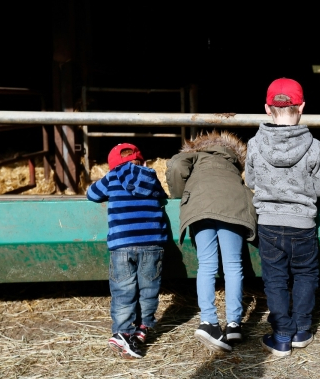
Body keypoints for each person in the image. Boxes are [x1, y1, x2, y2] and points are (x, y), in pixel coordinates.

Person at [245, 78, 320, 356]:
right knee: (305, 274)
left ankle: (281, 335)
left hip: (269, 222)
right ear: (302, 107)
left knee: (275, 279)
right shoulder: (315, 146)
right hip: (302, 224)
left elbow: (251, 180)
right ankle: (302, 330)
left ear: (267, 109)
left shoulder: (255, 144)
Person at [165, 130, 257, 353]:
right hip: (232, 206)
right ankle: (234, 324)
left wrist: (180, 194)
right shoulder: (233, 161)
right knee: (234, 265)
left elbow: (176, 166)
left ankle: (209, 322)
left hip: (201, 205)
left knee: (206, 265)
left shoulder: (195, 156)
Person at [87, 143, 168, 359]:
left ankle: (123, 332)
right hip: (152, 243)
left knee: (124, 290)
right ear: (142, 161)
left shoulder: (111, 178)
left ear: (113, 165)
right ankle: (143, 328)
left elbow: (91, 194)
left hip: (122, 243)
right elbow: (163, 196)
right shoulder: (151, 177)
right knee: (149, 289)